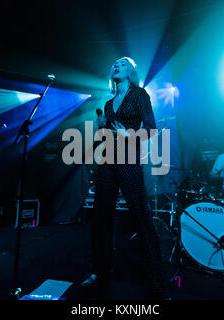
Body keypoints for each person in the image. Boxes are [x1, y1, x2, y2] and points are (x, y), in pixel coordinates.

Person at [81, 57, 170, 299]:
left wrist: (127, 133)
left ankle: (159, 282)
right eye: (114, 63)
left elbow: (151, 128)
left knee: (141, 216)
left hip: (129, 159)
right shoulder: (109, 104)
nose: (116, 64)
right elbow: (106, 135)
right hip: (108, 161)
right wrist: (101, 127)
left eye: (122, 63)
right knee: (100, 217)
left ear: (131, 71)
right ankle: (99, 271)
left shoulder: (139, 94)